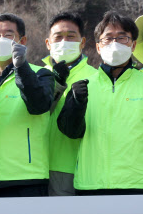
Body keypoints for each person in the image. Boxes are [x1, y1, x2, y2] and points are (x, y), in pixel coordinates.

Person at [58, 11, 143, 195]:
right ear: (98, 47)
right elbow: (69, 132)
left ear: (133, 44)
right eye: (108, 38)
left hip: (136, 185)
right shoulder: (83, 85)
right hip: (90, 185)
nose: (114, 44)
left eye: (122, 38)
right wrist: (76, 104)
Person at [0, 13, 55, 197]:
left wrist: (21, 67)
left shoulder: (42, 74)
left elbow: (38, 105)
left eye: (8, 35)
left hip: (27, 177)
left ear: (22, 41)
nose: (1, 39)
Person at [43, 12, 96, 196]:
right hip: (33, 169)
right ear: (48, 43)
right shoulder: (37, 75)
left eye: (71, 36)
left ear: (82, 42)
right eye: (58, 37)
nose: (64, 42)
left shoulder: (95, 77)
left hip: (72, 166)